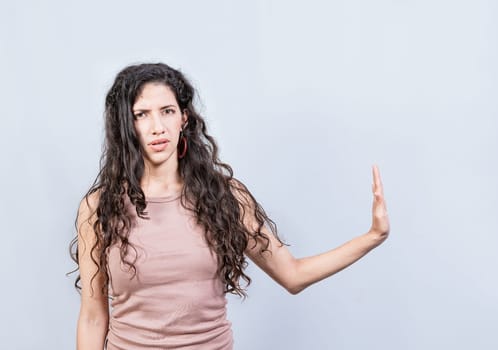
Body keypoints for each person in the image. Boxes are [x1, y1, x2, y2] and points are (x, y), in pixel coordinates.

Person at [69, 62, 390, 350]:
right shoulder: (100, 207)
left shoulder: (224, 197)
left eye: (167, 111)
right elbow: (94, 317)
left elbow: (292, 275)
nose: (157, 127)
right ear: (127, 124)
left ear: (184, 118)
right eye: (142, 114)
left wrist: (372, 236)